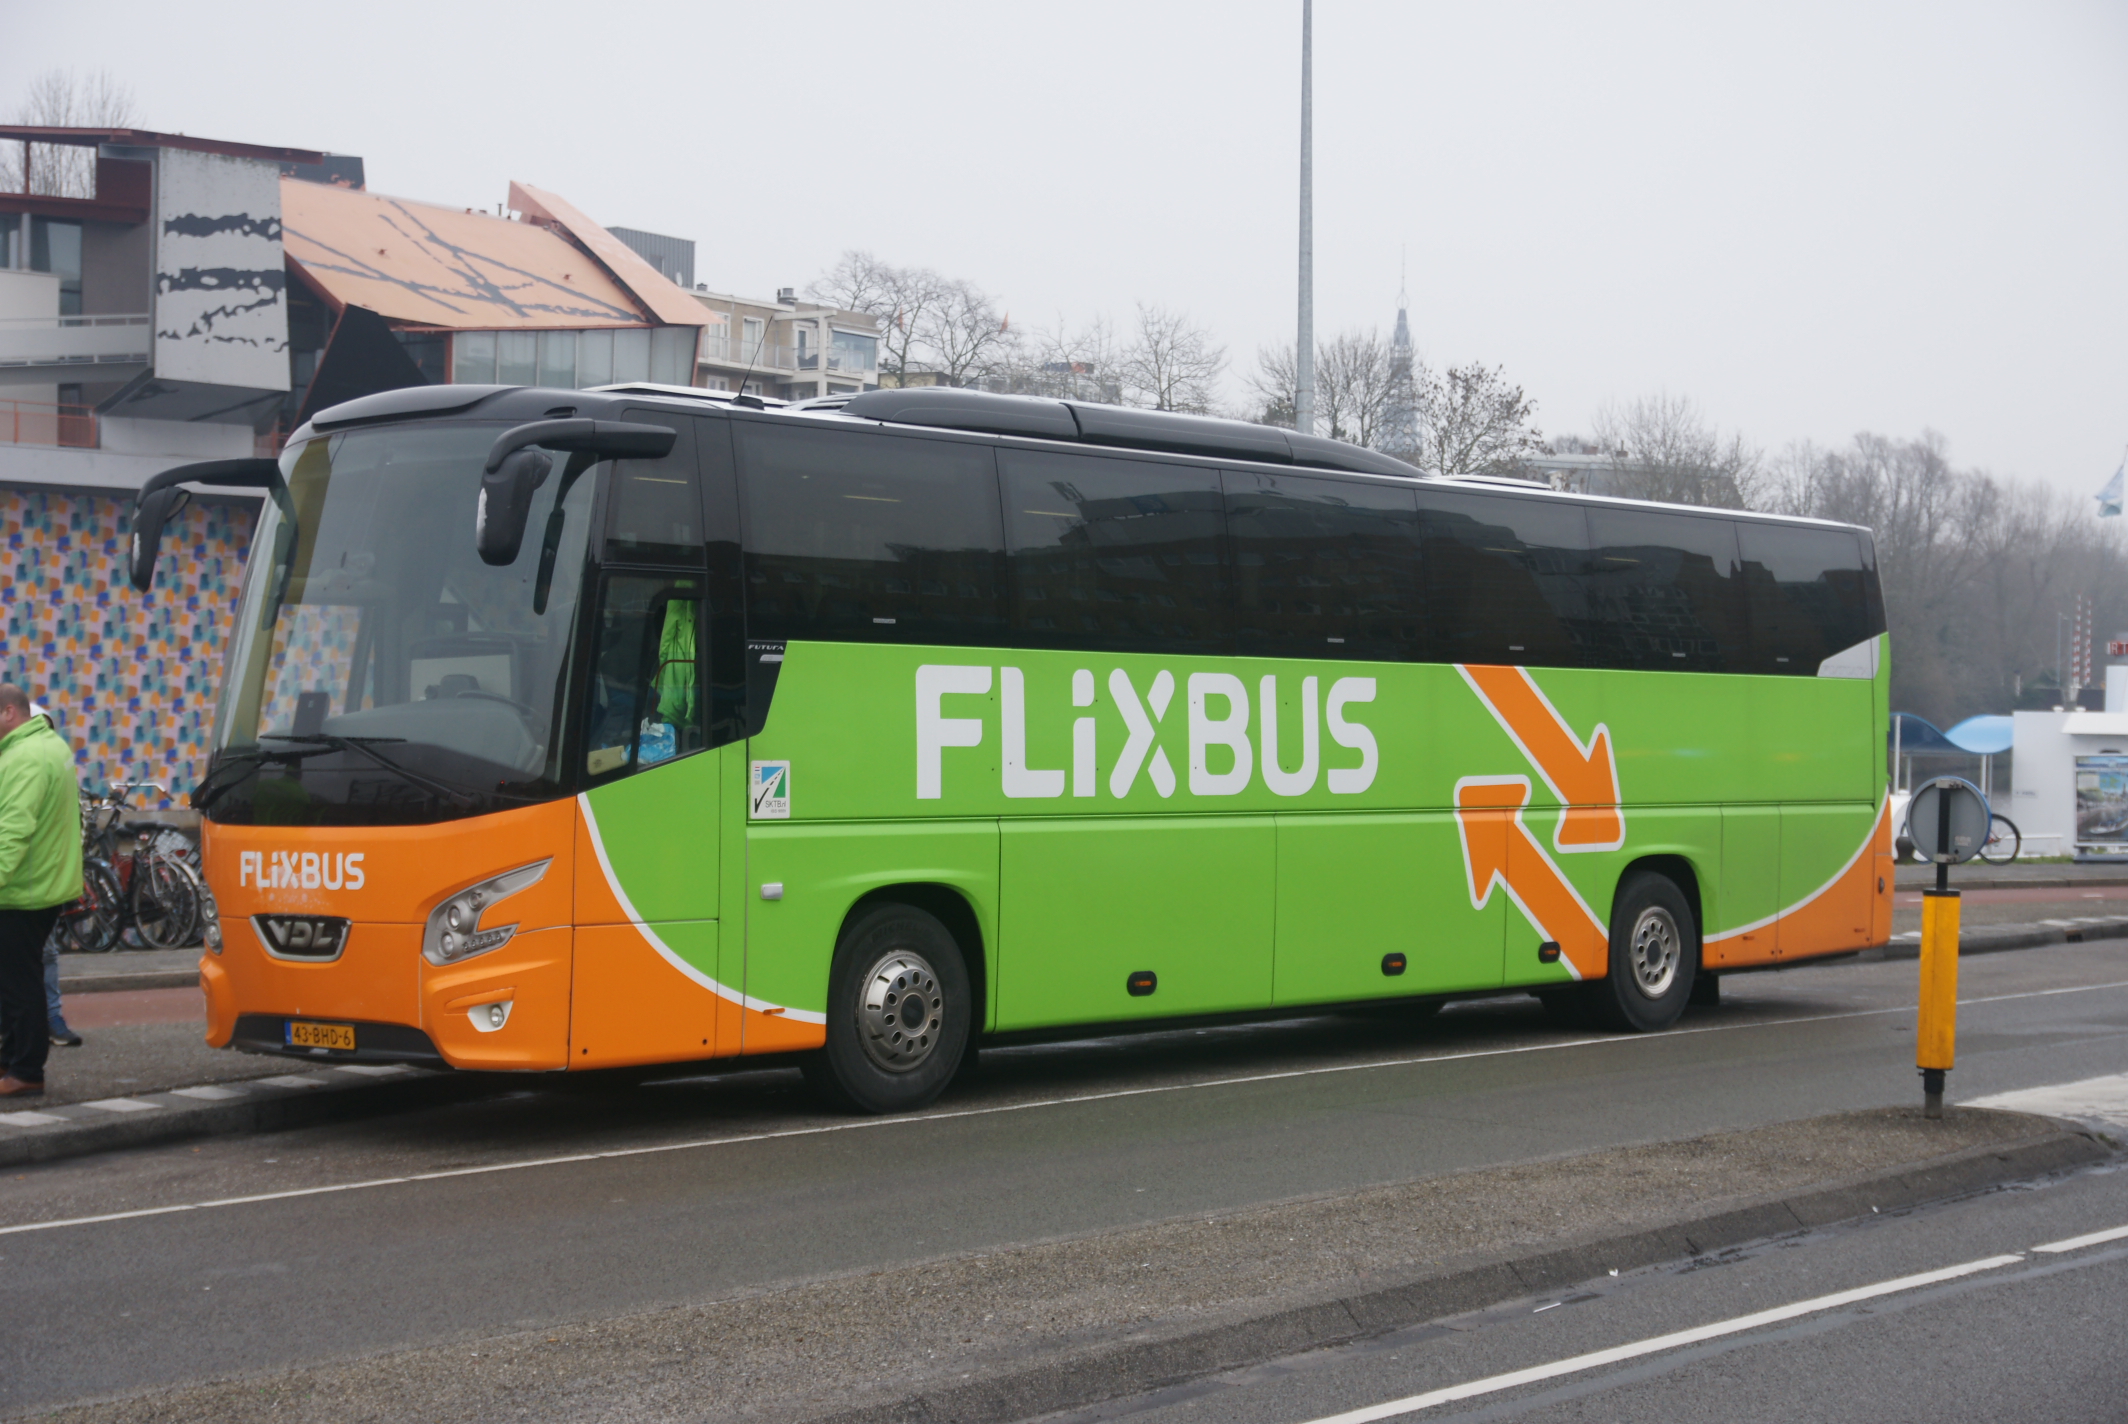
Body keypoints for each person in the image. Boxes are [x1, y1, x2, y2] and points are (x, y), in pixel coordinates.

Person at [0, 685, 83, 1097]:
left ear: (8, 712)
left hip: (22, 889)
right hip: (43, 882)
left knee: (19, 984)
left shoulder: (24, 757)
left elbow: (13, 829)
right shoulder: (51, 746)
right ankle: (11, 1061)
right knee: (17, 978)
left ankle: (27, 1071)